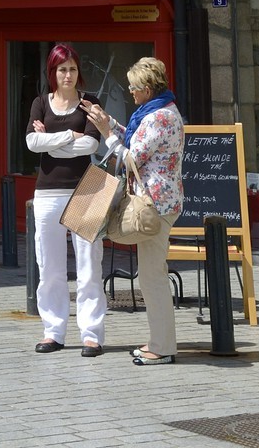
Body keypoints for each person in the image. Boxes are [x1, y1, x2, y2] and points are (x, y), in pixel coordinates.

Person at [81, 55, 185, 366]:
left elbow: (131, 158)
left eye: (135, 88)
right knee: (153, 275)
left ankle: (163, 347)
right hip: (160, 201)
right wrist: (108, 122)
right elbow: (136, 140)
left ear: (149, 88)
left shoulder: (160, 118)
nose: (131, 93)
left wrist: (106, 133)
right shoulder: (156, 112)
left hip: (155, 204)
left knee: (152, 278)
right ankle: (159, 339)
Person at [26, 43, 106, 356]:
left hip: (88, 189)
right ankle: (53, 332)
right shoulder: (39, 103)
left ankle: (91, 335)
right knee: (50, 267)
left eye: (72, 69)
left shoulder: (90, 103)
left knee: (89, 265)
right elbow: (32, 142)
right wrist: (69, 136)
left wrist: (52, 142)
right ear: (53, 73)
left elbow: (89, 145)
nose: (68, 75)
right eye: (62, 69)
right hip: (47, 192)